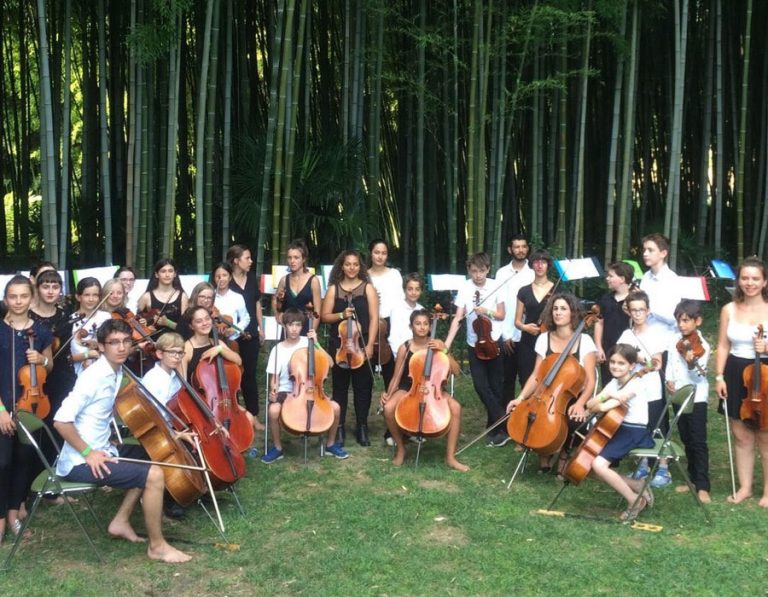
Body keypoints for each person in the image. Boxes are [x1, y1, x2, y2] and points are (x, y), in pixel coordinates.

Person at [53, 319, 192, 563]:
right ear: (102, 347)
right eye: (114, 342)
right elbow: (61, 421)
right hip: (80, 461)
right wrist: (89, 452)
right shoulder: (93, 377)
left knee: (153, 453)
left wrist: (106, 442)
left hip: (103, 448)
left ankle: (120, 521)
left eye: (126, 341)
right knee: (154, 474)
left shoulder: (115, 371)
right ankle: (157, 546)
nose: (121, 347)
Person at [507, 293, 597, 471]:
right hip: (547, 393)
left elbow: (591, 380)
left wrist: (580, 404)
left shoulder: (585, 340)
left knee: (573, 419)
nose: (558, 312)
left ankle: (564, 454)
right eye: (555, 308)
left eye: (563, 308)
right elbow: (536, 375)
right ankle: (544, 451)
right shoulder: (543, 338)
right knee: (536, 413)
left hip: (573, 394)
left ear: (573, 312)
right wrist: (520, 398)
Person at [380, 310, 468, 472]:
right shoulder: (405, 348)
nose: (422, 327)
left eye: (426, 324)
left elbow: (455, 370)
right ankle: (401, 448)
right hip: (409, 387)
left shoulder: (437, 345)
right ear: (411, 326)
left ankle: (450, 457)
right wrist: (388, 394)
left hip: (434, 388)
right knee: (389, 408)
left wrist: (444, 351)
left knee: (456, 407)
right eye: (418, 323)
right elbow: (396, 377)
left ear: (429, 326)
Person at [0, 275, 54, 539]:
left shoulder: (41, 332)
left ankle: (13, 514)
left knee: (23, 460)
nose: (18, 301)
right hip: (2, 405)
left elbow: (50, 366)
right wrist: (0, 411)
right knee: (2, 462)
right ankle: (0, 517)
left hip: (30, 404)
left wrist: (41, 361)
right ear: (5, 299)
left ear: (31, 298)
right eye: (13, 296)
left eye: (23, 296)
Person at [261, 308, 348, 463]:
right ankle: (277, 448)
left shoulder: (308, 343)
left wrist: (317, 344)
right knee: (274, 410)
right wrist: (273, 389)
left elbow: (330, 363)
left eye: (298, 325)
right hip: (287, 390)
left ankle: (330, 444)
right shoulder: (277, 349)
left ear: (302, 327)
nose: (294, 329)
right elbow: (274, 378)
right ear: (284, 326)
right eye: (290, 325)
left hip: (311, 389)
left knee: (336, 408)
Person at [715, 257, 768, 506]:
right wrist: (718, 376)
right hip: (735, 372)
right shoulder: (729, 309)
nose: (750, 283)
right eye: (745, 278)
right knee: (741, 435)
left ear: (764, 281)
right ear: (739, 280)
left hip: (765, 372)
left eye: (755, 278)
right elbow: (723, 345)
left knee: (765, 437)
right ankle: (746, 487)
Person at [583, 344, 655, 521]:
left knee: (598, 465)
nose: (615, 366)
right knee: (586, 465)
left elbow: (600, 406)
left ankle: (634, 501)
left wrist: (604, 399)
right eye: (613, 362)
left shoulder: (635, 386)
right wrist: (611, 395)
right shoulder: (614, 384)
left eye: (621, 363)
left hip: (633, 430)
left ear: (631, 366)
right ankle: (637, 485)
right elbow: (589, 405)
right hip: (616, 427)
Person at [445, 252, 507, 447]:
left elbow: (501, 315)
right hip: (474, 343)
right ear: (469, 270)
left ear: (488, 269)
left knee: (496, 386)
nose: (478, 275)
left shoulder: (496, 284)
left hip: (493, 340)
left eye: (481, 271)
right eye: (474, 271)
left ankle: (495, 430)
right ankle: (504, 421)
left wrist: (485, 311)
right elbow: (458, 317)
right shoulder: (465, 287)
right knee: (480, 386)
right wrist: (447, 344)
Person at [320, 249, 379, 446]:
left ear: (359, 266)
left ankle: (362, 425)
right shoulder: (333, 290)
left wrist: (370, 344)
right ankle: (339, 427)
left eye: (355, 264)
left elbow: (374, 318)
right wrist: (341, 315)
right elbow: (324, 316)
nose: (352, 268)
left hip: (362, 345)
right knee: (340, 388)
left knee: (363, 388)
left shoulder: (367, 288)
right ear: (341, 266)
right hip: (340, 347)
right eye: (348, 264)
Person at [616, 290, 671, 487]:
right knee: (639, 426)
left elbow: (656, 363)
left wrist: (639, 358)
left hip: (652, 387)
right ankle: (643, 464)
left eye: (641, 310)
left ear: (648, 311)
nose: (638, 314)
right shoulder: (625, 334)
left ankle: (664, 467)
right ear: (629, 312)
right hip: (633, 389)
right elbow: (619, 358)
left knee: (657, 426)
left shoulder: (656, 333)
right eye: (634, 310)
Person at [665, 299, 711, 504]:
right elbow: (670, 364)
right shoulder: (674, 339)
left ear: (697, 321)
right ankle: (692, 480)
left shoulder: (704, 347)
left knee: (698, 440)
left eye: (686, 321)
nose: (681, 325)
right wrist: (668, 380)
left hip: (696, 397)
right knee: (685, 437)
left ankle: (703, 486)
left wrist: (692, 364)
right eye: (679, 320)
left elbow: (698, 377)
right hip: (679, 395)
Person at [383, 272, 425, 446]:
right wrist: (401, 355)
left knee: (414, 396)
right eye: (410, 289)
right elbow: (394, 335)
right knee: (394, 394)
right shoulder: (396, 307)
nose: (413, 292)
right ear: (404, 290)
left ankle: (411, 429)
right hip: (399, 355)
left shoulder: (421, 310)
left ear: (421, 291)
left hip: (416, 358)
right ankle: (390, 432)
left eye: (417, 289)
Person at [226, 244, 265, 434]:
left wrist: (261, 327)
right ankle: (234, 415)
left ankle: (253, 415)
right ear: (236, 260)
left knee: (249, 374)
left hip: (250, 332)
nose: (250, 261)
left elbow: (256, 303)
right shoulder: (224, 278)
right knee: (232, 376)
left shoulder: (251, 278)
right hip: (229, 334)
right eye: (247, 258)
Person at [495, 234, 534, 402]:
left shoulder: (533, 272)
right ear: (510, 249)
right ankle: (505, 423)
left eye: (523, 246)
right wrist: (505, 335)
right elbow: (500, 304)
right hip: (508, 335)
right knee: (506, 381)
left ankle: (527, 418)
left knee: (528, 379)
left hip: (529, 334)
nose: (520, 250)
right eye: (517, 247)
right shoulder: (502, 273)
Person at [514, 249, 555, 388]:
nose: (539, 265)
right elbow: (517, 321)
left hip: (551, 340)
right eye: (536, 262)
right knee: (526, 378)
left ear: (548, 265)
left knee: (548, 379)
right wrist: (525, 327)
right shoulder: (523, 291)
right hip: (528, 341)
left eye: (543, 262)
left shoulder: (558, 289)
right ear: (532, 265)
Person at [367, 239, 404, 385]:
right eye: (376, 252)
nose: (380, 256)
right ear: (370, 254)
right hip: (369, 323)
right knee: (367, 368)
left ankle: (392, 401)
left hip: (390, 322)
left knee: (390, 366)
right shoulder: (364, 275)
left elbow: (400, 300)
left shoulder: (394, 274)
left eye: (383, 253)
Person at [272, 239, 322, 336]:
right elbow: (275, 299)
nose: (292, 261)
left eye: (296, 258)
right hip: (288, 328)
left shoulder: (313, 281)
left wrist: (312, 332)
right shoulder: (284, 280)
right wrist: (277, 315)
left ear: (303, 259)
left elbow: (317, 311)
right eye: (289, 258)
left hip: (306, 327)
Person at [594, 262, 633, 384]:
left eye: (611, 276)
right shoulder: (605, 299)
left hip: (628, 349)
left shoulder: (635, 299)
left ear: (622, 279)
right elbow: (599, 322)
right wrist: (598, 347)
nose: (607, 278)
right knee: (607, 383)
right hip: (608, 349)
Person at [639, 233, 681, 334]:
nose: (645, 254)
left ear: (663, 253)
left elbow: (674, 316)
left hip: (666, 334)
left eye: (650, 250)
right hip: (643, 331)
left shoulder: (672, 279)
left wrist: (645, 306)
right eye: (644, 250)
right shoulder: (645, 277)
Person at [70, 277, 111, 375]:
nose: (91, 299)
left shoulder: (106, 317)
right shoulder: (70, 320)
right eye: (86, 295)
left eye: (95, 295)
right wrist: (87, 355)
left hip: (103, 372)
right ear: (78, 297)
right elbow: (67, 358)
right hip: (77, 374)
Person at [137, 258, 189, 334]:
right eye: (163, 271)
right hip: (153, 343)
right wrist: (146, 328)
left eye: (170, 271)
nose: (167, 275)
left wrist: (167, 323)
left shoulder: (182, 296)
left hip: (176, 342)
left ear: (175, 274)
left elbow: (185, 327)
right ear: (156, 274)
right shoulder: (146, 297)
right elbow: (136, 322)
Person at [210, 261, 250, 341]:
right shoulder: (209, 297)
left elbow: (246, 318)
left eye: (224, 275)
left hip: (232, 341)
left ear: (230, 277)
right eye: (218, 276)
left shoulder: (237, 297)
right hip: (211, 340)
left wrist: (235, 329)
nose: (221, 279)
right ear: (214, 278)